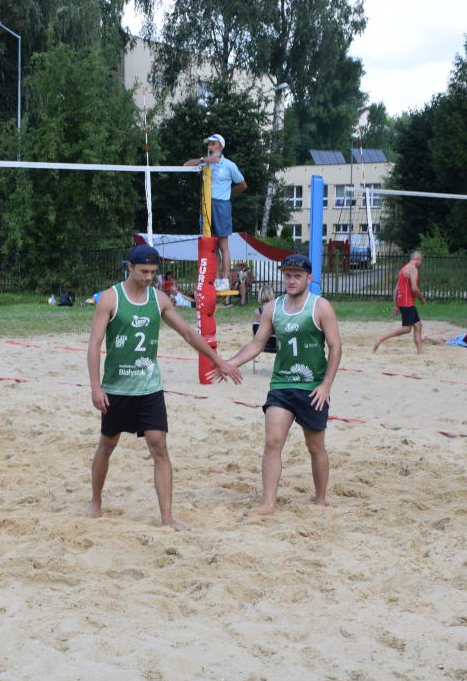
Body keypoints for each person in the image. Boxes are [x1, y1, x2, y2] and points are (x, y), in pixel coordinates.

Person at [87, 244, 242, 527]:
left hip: (150, 387)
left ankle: (167, 518)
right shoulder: (110, 299)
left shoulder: (159, 299)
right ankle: (96, 501)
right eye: (144, 271)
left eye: (153, 272)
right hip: (117, 388)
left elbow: (187, 333)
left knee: (159, 446)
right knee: (107, 444)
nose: (149, 277)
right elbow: (94, 345)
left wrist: (217, 360)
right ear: (130, 268)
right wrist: (96, 387)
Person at [226, 254, 342, 516]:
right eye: (287, 275)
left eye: (297, 276)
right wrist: (231, 363)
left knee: (315, 447)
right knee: (273, 442)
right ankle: (268, 504)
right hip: (281, 384)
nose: (291, 280)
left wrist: (326, 385)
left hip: (312, 387)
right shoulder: (272, 308)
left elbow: (335, 347)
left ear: (309, 278)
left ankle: (320, 499)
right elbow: (257, 344)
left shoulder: (320, 307)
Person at [183, 133, 246, 291]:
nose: (210, 146)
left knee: (223, 244)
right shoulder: (205, 164)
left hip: (222, 205)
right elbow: (185, 165)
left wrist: (229, 194)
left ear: (220, 146)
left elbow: (242, 184)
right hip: (206, 205)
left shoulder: (229, 165)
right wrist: (204, 160)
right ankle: (216, 279)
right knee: (212, 245)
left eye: (213, 144)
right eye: (208, 144)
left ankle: (225, 279)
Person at [373, 251, 441, 353]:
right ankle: (381, 338)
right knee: (407, 329)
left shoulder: (403, 269)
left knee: (418, 326)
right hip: (407, 303)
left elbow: (396, 290)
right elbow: (414, 288)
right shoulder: (413, 269)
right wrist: (421, 299)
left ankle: (420, 352)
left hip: (404, 302)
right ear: (418, 259)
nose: (421, 263)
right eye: (421, 260)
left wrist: (396, 305)